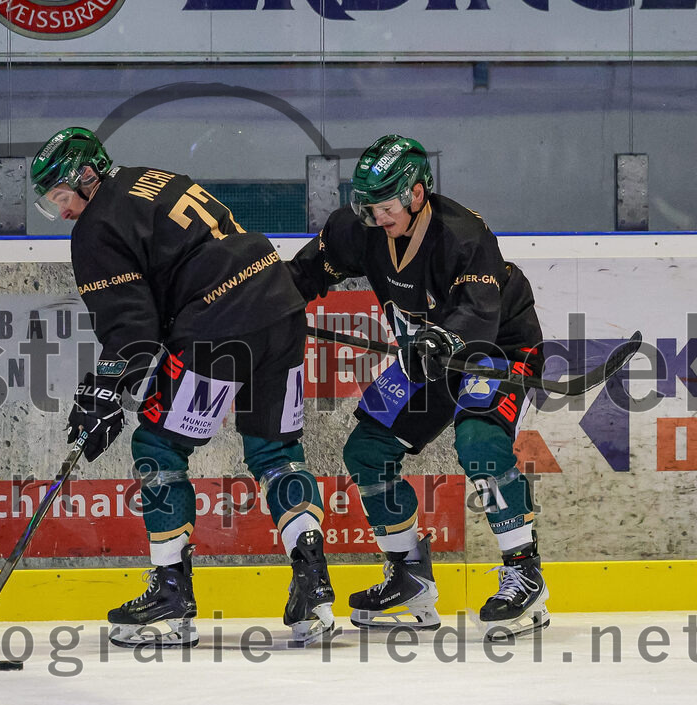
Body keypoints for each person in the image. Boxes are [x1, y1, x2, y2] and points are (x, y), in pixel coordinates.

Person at [30, 127, 335, 648]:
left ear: (85, 177)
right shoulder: (153, 177)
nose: (62, 213)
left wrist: (104, 390)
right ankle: (316, 589)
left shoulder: (96, 227)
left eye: (62, 198)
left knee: (158, 446)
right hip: (281, 311)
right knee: (277, 451)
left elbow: (133, 331)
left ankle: (171, 597)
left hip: (219, 331)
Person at [286, 134, 549, 641]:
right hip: (424, 357)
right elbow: (302, 275)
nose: (374, 219)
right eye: (366, 209)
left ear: (416, 195)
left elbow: (478, 313)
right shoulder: (360, 229)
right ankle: (409, 574)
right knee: (367, 449)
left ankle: (526, 573)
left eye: (385, 208)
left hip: (495, 349)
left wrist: (444, 338)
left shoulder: (465, 236)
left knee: (479, 442)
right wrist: (257, 306)